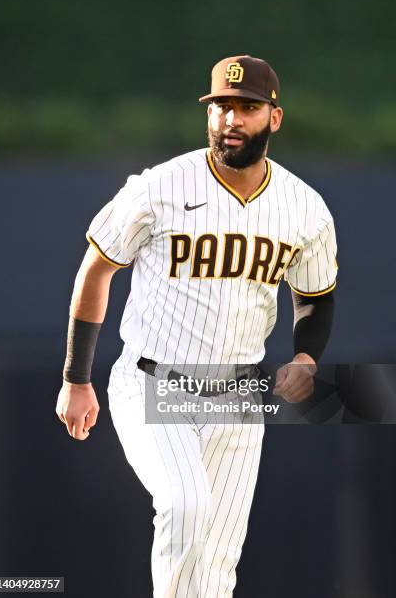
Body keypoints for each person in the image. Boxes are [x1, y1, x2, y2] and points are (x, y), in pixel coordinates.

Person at [56, 55, 337, 597]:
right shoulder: (159, 187)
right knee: (186, 505)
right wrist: (76, 376)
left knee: (217, 563)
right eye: (221, 107)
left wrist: (306, 356)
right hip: (151, 382)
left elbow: (315, 295)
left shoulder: (305, 208)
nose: (231, 120)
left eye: (247, 108)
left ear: (274, 118)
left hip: (236, 392)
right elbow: (97, 268)